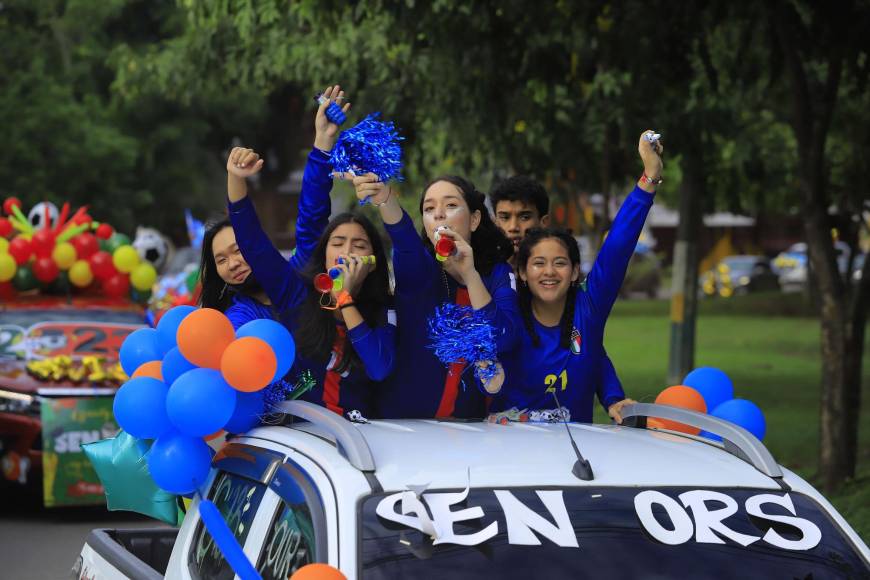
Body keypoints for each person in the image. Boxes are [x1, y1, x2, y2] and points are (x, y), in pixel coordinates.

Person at [226, 86, 396, 420]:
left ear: (374, 260)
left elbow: (379, 368)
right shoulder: (296, 293)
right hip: (301, 443)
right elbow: (257, 243)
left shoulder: (382, 307)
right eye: (338, 243)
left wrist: (345, 299)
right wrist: (236, 179)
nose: (347, 252)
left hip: (363, 448)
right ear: (324, 254)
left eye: (359, 245)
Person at [491, 131, 664, 424]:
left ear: (573, 272)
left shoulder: (587, 306)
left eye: (559, 263)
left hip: (573, 458)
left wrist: (649, 178)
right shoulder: (500, 303)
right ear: (522, 272)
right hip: (507, 455)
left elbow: (617, 248)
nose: (548, 272)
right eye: (538, 264)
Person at [348, 173, 522, 419]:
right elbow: (404, 239)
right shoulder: (419, 268)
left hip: (467, 430)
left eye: (451, 205)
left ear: (474, 219)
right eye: (429, 209)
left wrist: (469, 274)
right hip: (405, 426)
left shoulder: (497, 273)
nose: (439, 214)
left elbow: (503, 338)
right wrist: (385, 199)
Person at [489, 174, 628, 422]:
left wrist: (612, 395)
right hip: (501, 436)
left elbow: (588, 342)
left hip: (567, 433)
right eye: (504, 217)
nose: (513, 227)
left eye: (524, 216)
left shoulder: (572, 295)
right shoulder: (484, 281)